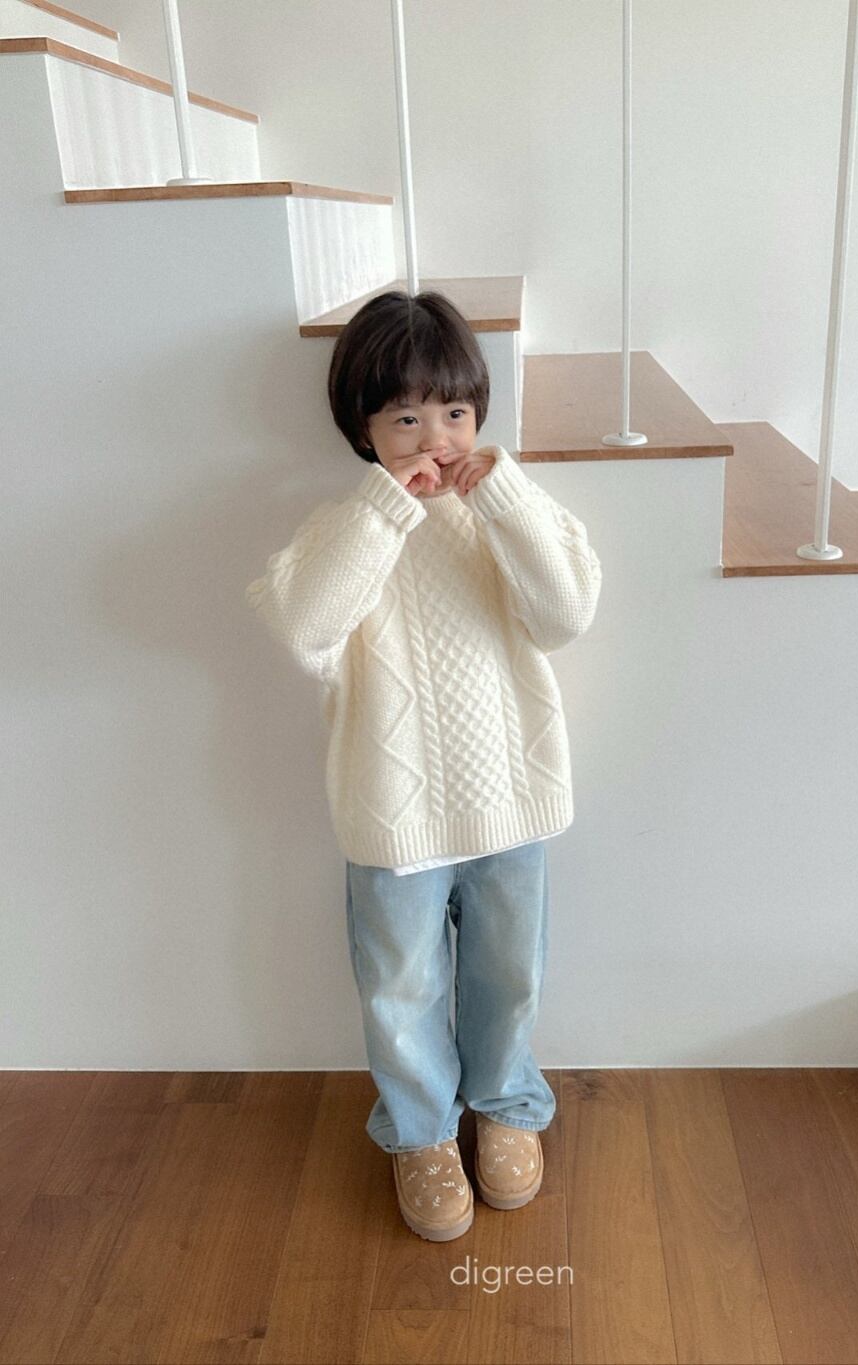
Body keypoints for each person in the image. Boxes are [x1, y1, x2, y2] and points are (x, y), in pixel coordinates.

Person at [245, 290, 602, 1241]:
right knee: (399, 989)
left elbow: (566, 613)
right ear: (362, 428)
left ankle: (507, 1105)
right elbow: (306, 628)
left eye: (453, 411)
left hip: (513, 803)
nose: (434, 439)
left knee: (508, 972)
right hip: (391, 815)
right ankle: (421, 1133)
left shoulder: (505, 512)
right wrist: (384, 510)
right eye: (405, 418)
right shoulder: (344, 527)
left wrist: (503, 496)